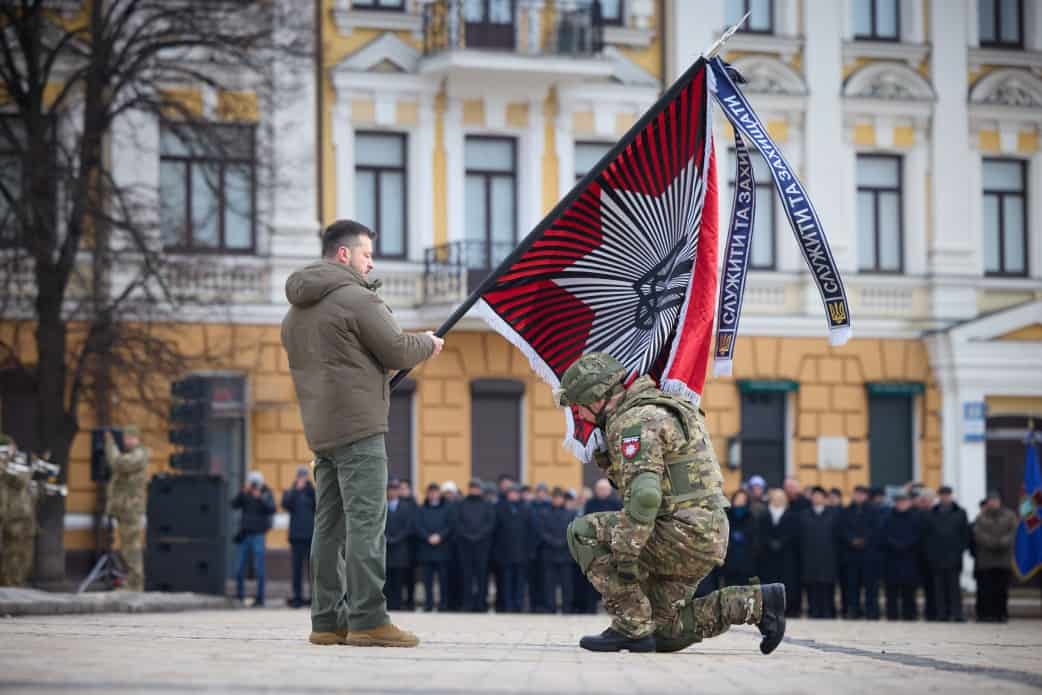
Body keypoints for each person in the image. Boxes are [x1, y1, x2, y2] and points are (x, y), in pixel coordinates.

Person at [281, 219, 443, 647]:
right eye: (366, 254)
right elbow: (396, 350)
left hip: (322, 431)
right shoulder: (356, 299)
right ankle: (369, 619)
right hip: (360, 428)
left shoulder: (295, 312)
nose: (371, 263)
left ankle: (326, 621)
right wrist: (428, 343)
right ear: (343, 255)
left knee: (328, 527)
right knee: (367, 524)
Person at [556, 353, 785, 654]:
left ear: (596, 398)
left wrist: (626, 553)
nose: (578, 415)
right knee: (664, 632)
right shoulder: (663, 407)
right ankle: (756, 602)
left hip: (682, 535)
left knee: (581, 532)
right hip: (705, 534)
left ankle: (629, 626)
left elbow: (646, 495)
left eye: (577, 407)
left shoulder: (634, 421)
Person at [103, 426, 149, 591]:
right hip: (125, 509)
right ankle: (132, 582)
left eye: (130, 438)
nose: (127, 441)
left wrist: (110, 445)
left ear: (137, 438)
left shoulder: (140, 455)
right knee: (126, 547)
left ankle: (135, 584)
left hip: (131, 509)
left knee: (131, 547)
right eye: (125, 438)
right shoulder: (132, 454)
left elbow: (118, 463)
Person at [572, 478, 622, 613]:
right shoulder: (590, 503)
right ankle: (590, 608)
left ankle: (612, 609)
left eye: (604, 489)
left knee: (611, 579)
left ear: (609, 490)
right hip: (594, 546)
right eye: (599, 489)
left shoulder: (616, 503)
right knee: (592, 578)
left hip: (611, 546)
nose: (601, 491)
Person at [923, 485, 969, 621]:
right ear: (939, 496)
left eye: (947, 494)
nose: (945, 497)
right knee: (939, 588)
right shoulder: (931, 513)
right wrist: (930, 553)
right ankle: (941, 614)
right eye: (942, 494)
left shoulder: (960, 513)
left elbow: (965, 535)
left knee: (954, 588)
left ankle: (957, 614)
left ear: (951, 495)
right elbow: (927, 536)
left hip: (954, 556)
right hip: (936, 557)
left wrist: (959, 550)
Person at [231, 471, 276, 606]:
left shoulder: (266, 492)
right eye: (252, 482)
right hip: (245, 534)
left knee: (259, 568)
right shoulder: (246, 493)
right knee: (239, 568)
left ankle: (260, 598)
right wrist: (242, 491)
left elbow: (272, 509)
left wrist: (260, 498)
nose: (255, 486)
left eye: (256, 482)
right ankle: (240, 596)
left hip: (258, 535)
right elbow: (233, 505)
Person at [972, 491, 1018, 622]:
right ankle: (986, 615)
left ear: (1000, 502)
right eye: (991, 501)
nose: (993, 503)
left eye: (995, 500)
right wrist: (991, 542)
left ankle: (1001, 614)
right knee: (986, 590)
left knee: (1002, 590)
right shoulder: (981, 517)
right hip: (986, 560)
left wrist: (1002, 542)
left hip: (1003, 559)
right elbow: (978, 533)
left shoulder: (1009, 516)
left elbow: (1013, 532)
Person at [757, 488, 802, 618]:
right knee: (769, 583)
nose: (778, 499)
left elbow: (795, 535)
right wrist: (770, 543)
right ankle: (769, 610)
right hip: (768, 556)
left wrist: (782, 542)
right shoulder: (763, 516)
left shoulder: (792, 516)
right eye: (775, 497)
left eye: (781, 497)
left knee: (787, 583)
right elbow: (760, 534)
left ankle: (788, 609)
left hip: (786, 556)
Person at [454, 479, 496, 612]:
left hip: (482, 546)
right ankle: (467, 603)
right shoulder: (461, 504)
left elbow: (490, 523)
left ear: (480, 489)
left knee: (482, 576)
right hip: (465, 546)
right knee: (466, 576)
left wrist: (478, 536)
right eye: (472, 487)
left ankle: (481, 604)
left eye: (477, 488)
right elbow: (457, 522)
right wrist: (468, 535)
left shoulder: (487, 505)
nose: (474, 490)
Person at [0, 436, 36, 587]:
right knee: (11, 557)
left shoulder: (15, 467)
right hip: (10, 519)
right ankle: (10, 586)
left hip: (19, 519)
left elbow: (22, 481)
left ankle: (15, 586)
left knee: (21, 558)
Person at [840, 485, 879, 620]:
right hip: (851, 554)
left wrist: (864, 540)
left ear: (866, 496)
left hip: (869, 555)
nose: (859, 496)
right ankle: (854, 611)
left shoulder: (874, 511)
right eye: (857, 494)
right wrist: (852, 540)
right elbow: (842, 529)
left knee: (870, 586)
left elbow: (876, 529)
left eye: (862, 494)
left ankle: (871, 612)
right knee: (852, 585)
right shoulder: (846, 511)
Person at [799, 486, 838, 619]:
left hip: (828, 557)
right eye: (814, 496)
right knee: (811, 586)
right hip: (810, 557)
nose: (817, 498)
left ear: (824, 498)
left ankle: (827, 612)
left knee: (827, 586)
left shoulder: (833, 514)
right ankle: (813, 612)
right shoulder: (804, 514)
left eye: (820, 496)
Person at [282, 464, 316, 608]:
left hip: (310, 536)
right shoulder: (291, 491)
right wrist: (296, 490)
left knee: (312, 570)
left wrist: (307, 489)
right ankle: (297, 597)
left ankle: (313, 598)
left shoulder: (311, 491)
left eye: (304, 475)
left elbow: (318, 505)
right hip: (296, 536)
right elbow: (285, 504)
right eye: (300, 475)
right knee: (296, 569)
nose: (302, 478)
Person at [882, 493, 920, 620]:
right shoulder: (887, 517)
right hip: (892, 558)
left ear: (909, 503)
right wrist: (895, 544)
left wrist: (906, 545)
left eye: (904, 501)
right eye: (899, 502)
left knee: (909, 591)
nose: (901, 504)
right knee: (891, 590)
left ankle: (909, 615)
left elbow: (919, 536)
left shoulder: (915, 518)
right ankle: (891, 615)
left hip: (910, 558)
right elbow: (883, 535)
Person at [493, 484, 530, 612]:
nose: (513, 495)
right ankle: (508, 605)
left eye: (516, 493)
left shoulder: (526, 509)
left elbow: (532, 531)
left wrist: (529, 550)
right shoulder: (500, 508)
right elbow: (495, 531)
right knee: (506, 581)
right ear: (507, 495)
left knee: (520, 581)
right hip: (505, 553)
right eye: (511, 493)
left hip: (522, 552)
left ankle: (518, 605)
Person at [537, 487, 575, 614]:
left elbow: (573, 530)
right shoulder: (544, 513)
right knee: (549, 583)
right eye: (555, 497)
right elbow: (542, 532)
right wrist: (553, 541)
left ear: (563, 499)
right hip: (549, 553)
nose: (557, 500)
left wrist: (563, 542)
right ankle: (550, 607)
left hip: (565, 553)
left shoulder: (571, 513)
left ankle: (567, 608)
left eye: (559, 498)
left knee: (567, 584)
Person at [415, 483, 452, 612]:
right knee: (427, 580)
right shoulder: (421, 509)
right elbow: (418, 526)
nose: (433, 494)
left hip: (442, 548)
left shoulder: (447, 509)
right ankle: (428, 604)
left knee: (443, 580)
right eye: (430, 492)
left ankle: (443, 604)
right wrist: (428, 537)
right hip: (426, 549)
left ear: (439, 493)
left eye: (435, 492)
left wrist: (440, 536)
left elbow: (449, 526)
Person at [384, 478, 414, 611]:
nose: (392, 492)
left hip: (401, 548)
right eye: (390, 489)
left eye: (395, 489)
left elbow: (408, 526)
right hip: (385, 547)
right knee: (386, 578)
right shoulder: (382, 506)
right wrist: (386, 538)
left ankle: (398, 604)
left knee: (399, 578)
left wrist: (396, 539)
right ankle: (387, 604)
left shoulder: (406, 507)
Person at [723, 489, 760, 587]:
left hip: (747, 563)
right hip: (729, 562)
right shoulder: (727, 516)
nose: (740, 501)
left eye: (743, 499)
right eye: (738, 499)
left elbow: (755, 539)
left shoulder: (751, 517)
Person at [398, 479, 419, 610]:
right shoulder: (395, 503)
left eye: (406, 488)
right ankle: (399, 601)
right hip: (398, 546)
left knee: (411, 576)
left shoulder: (414, 504)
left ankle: (410, 601)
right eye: (401, 488)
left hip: (411, 545)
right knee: (398, 576)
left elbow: (417, 522)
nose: (403, 490)